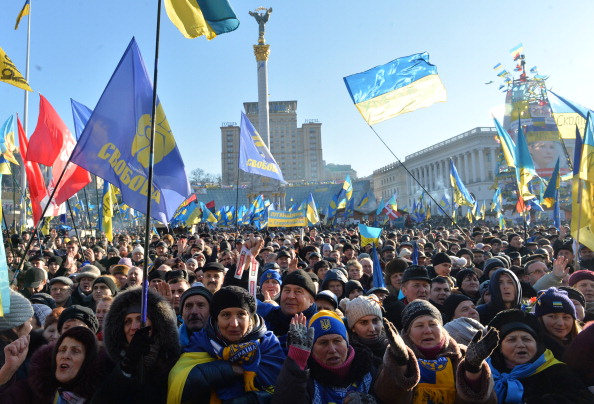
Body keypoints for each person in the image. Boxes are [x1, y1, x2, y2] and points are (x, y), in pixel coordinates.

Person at [168, 286, 284, 403]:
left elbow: (283, 392)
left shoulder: (268, 344)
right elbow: (180, 380)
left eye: (241, 314)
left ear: (250, 318)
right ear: (216, 319)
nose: (234, 324)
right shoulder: (199, 342)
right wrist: (230, 370)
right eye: (226, 315)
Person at [374, 299, 498, 403]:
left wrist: (473, 369)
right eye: (419, 326)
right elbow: (386, 397)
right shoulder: (394, 355)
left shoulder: (464, 355)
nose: (427, 330)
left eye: (433, 324)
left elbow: (489, 401)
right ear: (407, 333)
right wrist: (401, 362)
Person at [487, 309, 593, 403]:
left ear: (537, 345)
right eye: (511, 340)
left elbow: (582, 398)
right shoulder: (487, 372)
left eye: (526, 339)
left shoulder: (557, 370)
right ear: (499, 348)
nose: (520, 345)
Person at [95, 287, 180, 403]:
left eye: (141, 319)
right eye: (127, 321)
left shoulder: (170, 360)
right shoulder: (107, 361)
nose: (134, 327)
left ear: (155, 325)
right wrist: (127, 364)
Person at [273, 310, 378, 404]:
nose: (332, 349)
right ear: (312, 347)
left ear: (347, 343)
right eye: (323, 343)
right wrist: (295, 363)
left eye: (337, 341)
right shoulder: (306, 378)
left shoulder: (369, 373)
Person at [3, 326, 112, 402]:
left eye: (75, 351)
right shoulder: (30, 392)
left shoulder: (103, 397)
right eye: (62, 350)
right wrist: (8, 369)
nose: (66, 355)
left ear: (88, 361)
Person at [534, 287, 582, 359]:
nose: (561, 323)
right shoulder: (534, 349)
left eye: (566, 317)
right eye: (552, 316)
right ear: (540, 318)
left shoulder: (584, 345)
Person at [344, 295, 387, 367]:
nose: (372, 329)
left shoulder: (395, 345)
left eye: (375, 320)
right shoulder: (348, 356)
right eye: (364, 322)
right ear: (353, 327)